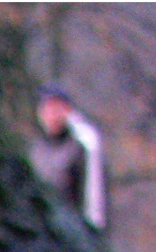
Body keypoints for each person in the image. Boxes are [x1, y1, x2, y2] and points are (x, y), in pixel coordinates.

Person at [29, 84, 106, 230]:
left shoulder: (79, 148)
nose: (52, 115)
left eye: (57, 109)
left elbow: (93, 198)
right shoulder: (35, 150)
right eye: (48, 109)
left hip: (72, 232)